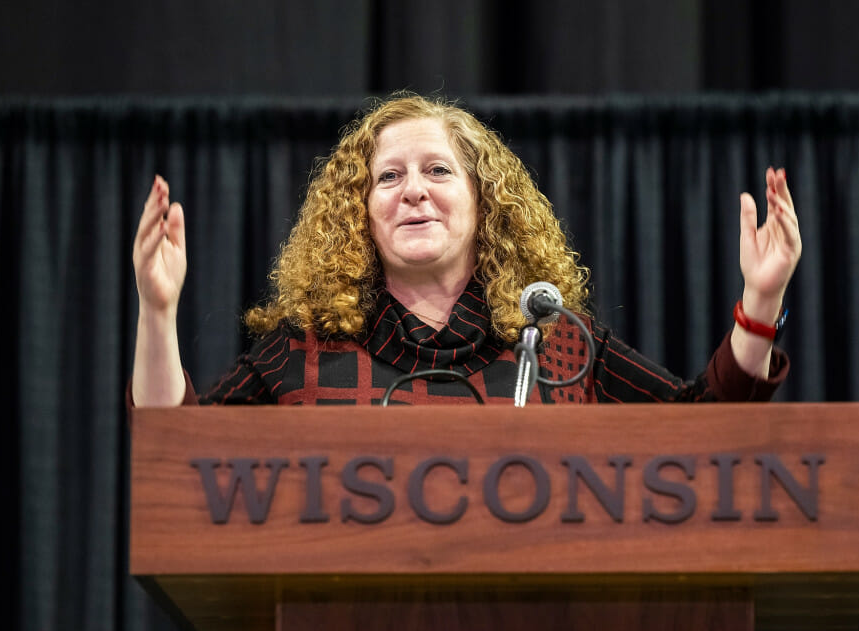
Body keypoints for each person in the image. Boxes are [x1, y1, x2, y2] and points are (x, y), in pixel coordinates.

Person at [132, 93, 798, 408]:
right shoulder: (300, 349)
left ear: (487, 206)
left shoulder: (561, 345)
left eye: (439, 171)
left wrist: (761, 300)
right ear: (357, 215)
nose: (413, 191)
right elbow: (178, 455)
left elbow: (705, 436)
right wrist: (158, 312)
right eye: (388, 177)